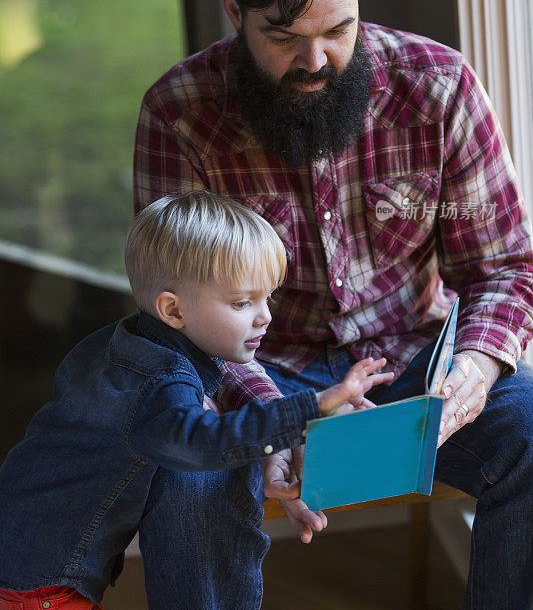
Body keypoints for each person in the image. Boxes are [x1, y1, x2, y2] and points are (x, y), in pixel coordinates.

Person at [134, 0, 533, 608]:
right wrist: (279, 420)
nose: (317, 61)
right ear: (234, 10)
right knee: (183, 475)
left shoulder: (439, 86)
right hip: (255, 371)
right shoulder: (178, 114)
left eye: (338, 30)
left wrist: (473, 368)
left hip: (415, 365)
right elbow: (178, 320)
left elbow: (504, 267)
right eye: (284, 37)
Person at [0, 191, 395, 609]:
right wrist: (315, 406)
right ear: (173, 310)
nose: (265, 316)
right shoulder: (160, 384)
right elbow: (209, 443)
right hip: (42, 582)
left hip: (20, 539)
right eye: (242, 302)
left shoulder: (121, 342)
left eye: (267, 297)